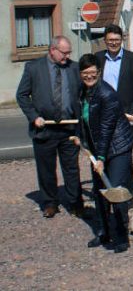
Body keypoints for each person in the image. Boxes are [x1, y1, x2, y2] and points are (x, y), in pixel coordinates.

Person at [16, 36, 85, 219]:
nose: (67, 56)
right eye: (64, 53)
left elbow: (82, 94)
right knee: (46, 169)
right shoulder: (34, 68)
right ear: (52, 50)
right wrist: (33, 117)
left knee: (71, 168)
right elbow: (22, 96)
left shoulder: (74, 67)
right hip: (44, 129)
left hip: (69, 128)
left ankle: (75, 203)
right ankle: (50, 203)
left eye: (69, 52)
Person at [73, 54, 133, 253]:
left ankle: (121, 236)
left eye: (93, 73)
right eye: (85, 73)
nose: (89, 76)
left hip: (117, 147)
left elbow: (107, 128)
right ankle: (103, 231)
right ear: (80, 74)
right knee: (99, 192)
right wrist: (79, 138)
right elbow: (82, 118)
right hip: (97, 147)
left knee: (115, 191)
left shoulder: (107, 93)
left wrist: (100, 158)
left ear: (99, 73)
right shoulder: (82, 92)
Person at [95, 24, 133, 123]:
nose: (114, 43)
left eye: (117, 40)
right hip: (102, 113)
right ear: (105, 41)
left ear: (121, 40)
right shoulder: (98, 58)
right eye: (110, 40)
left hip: (126, 114)